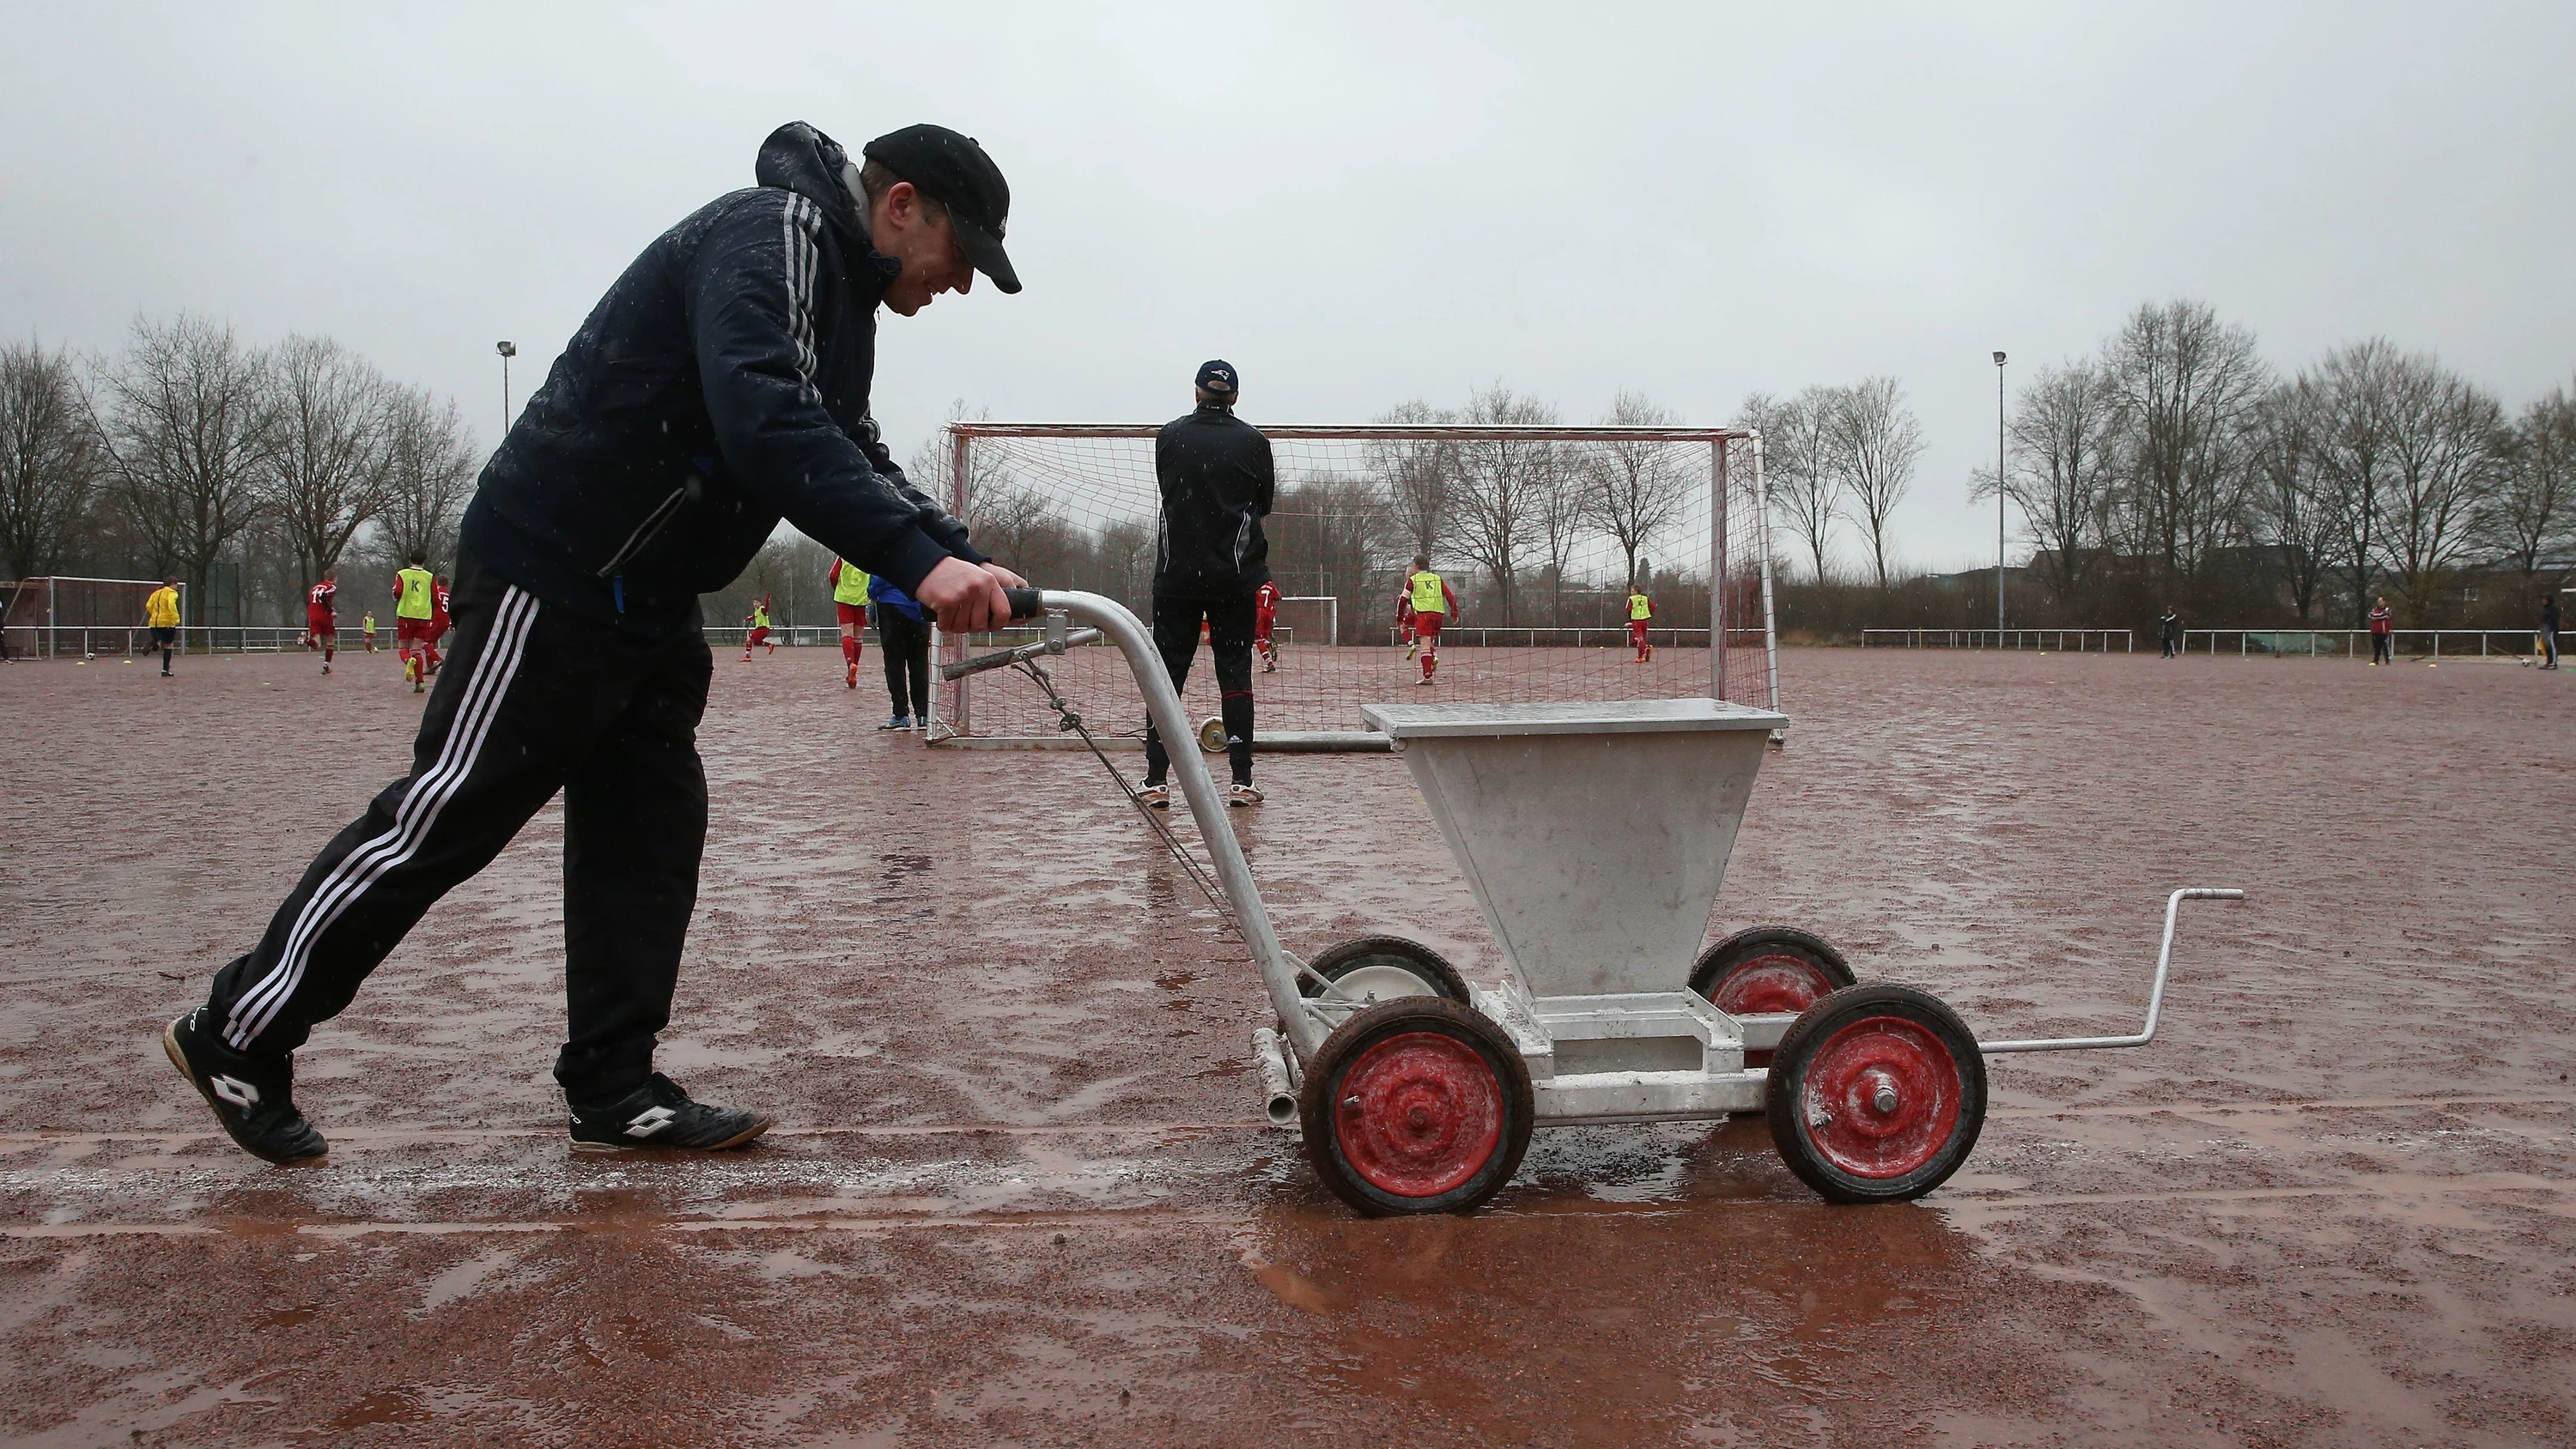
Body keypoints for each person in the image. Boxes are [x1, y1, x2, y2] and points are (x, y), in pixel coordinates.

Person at [163, 119, 1026, 1166]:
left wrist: (958, 551)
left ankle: (612, 1084)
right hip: (558, 563)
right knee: (451, 811)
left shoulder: (839, 287)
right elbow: (763, 415)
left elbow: (842, 436)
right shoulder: (779, 234)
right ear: (902, 208)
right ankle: (236, 1028)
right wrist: (915, 559)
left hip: (647, 593)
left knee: (649, 827)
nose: (962, 284)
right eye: (962, 256)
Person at [1137, 360, 1272, 810]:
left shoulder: (1169, 436)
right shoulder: (1255, 442)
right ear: (1234, 396)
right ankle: (1241, 780)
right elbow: (1263, 503)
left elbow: (1169, 487)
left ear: (1197, 391)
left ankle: (1156, 780)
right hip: (1235, 578)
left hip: (1177, 577)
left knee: (1167, 677)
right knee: (1235, 674)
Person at [869, 571, 932, 729]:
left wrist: (871, 596)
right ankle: (923, 715)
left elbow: (878, 577)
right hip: (920, 609)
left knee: (894, 662)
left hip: (891, 606)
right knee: (919, 662)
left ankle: (900, 714)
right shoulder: (926, 549)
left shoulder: (887, 547)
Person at [1406, 555, 1457, 684]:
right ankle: (1432, 658)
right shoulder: (1437, 579)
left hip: (1423, 614)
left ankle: (1427, 676)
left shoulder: (1413, 580)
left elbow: (1403, 599)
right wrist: (1454, 612)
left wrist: (1400, 616)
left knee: (1424, 645)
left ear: (1416, 565)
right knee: (1429, 643)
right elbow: (1450, 595)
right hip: (1438, 615)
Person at [392, 549, 437, 692]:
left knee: (403, 647)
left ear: (410, 559)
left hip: (406, 614)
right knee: (416, 649)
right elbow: (435, 598)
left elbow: (397, 591)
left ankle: (408, 661)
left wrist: (399, 598)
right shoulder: (430, 577)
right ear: (425, 560)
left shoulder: (402, 574)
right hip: (423, 616)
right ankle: (420, 683)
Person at [829, 555, 870, 688]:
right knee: (858, 638)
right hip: (861, 599)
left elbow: (833, 575)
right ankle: (854, 670)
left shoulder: (843, 556)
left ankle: (850, 663)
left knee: (847, 635)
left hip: (844, 598)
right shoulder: (869, 556)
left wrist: (838, 588)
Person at [305, 568, 339, 675]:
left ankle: (306, 640)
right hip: (324, 615)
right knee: (330, 641)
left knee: (316, 644)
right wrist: (330, 611)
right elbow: (323, 596)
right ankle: (326, 666)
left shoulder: (314, 587)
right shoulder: (331, 587)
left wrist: (330, 608)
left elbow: (315, 599)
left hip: (312, 615)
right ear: (334, 578)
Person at [144, 577, 180, 676]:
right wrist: (176, 618)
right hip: (167, 622)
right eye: (176, 585)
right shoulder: (172, 593)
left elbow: (148, 606)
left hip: (154, 622)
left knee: (159, 640)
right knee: (168, 645)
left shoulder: (156, 593)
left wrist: (155, 614)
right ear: (172, 584)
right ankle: (165, 670)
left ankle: (155, 643)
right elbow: (171, 605)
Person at [1254, 579, 1281, 672]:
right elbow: (1278, 597)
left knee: (1257, 638)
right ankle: (1268, 644)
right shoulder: (1270, 585)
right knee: (1263, 637)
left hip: (1260, 612)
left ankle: (1269, 663)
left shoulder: (1255, 584)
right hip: (1270, 613)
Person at [741, 595, 775, 661]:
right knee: (756, 642)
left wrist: (767, 599)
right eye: (754, 603)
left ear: (760, 603)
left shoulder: (762, 609)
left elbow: (767, 608)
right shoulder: (757, 611)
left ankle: (747, 657)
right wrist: (747, 618)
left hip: (763, 628)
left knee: (749, 639)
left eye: (757, 602)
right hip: (760, 629)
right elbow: (753, 617)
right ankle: (769, 645)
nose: (755, 604)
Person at [1626, 581, 1654, 663]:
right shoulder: (1645, 598)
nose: (1631, 592)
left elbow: (1628, 609)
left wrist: (1631, 619)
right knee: (1634, 641)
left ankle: (1640, 657)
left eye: (1632, 591)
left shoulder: (1631, 599)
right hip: (1645, 620)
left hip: (1637, 620)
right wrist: (1648, 615)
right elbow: (1653, 607)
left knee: (1639, 638)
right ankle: (1647, 648)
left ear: (1635, 591)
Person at [2367, 596, 2394, 666]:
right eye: (2378, 601)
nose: (2379, 603)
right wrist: (2376, 617)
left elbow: (2383, 616)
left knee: (2385, 646)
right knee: (2376, 647)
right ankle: (2375, 660)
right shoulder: (2375, 609)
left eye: (2380, 601)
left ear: (2384, 602)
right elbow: (2370, 616)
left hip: (2383, 632)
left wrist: (2375, 617)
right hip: (2375, 631)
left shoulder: (2387, 609)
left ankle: (2387, 661)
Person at [2542, 591, 2562, 670]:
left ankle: (2553, 663)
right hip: (2546, 629)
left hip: (2552, 629)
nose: (2543, 600)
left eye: (2545, 599)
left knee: (2552, 646)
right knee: (2547, 647)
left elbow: (2554, 619)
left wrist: (2550, 627)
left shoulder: (2554, 608)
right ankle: (2549, 662)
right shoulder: (2545, 608)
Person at [1397, 585, 1417, 658]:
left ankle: (1411, 644)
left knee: (1402, 627)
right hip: (1427, 614)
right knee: (1427, 637)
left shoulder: (1410, 587)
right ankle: (1434, 656)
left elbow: (1408, 607)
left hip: (1414, 613)